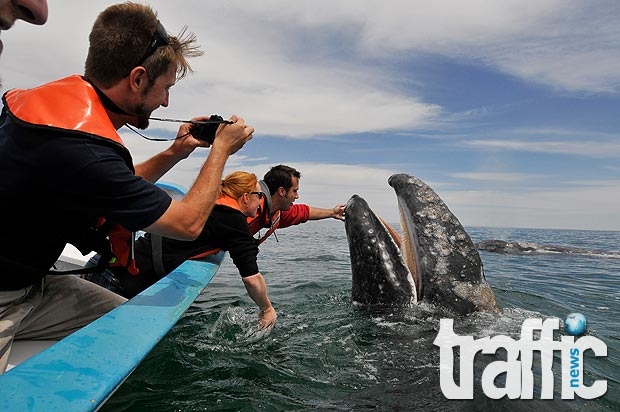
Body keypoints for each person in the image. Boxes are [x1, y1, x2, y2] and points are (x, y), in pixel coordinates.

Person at [0, 2, 253, 373]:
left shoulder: (59, 119)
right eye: (165, 87)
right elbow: (187, 224)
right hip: (3, 298)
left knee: (138, 328)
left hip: (35, 287)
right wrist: (221, 151)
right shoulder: (83, 151)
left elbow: (110, 183)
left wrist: (176, 151)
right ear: (137, 79)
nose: (166, 100)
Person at [85, 171, 278, 328]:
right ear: (245, 197)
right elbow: (251, 278)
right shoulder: (233, 220)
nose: (261, 201)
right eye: (259, 195)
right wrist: (267, 308)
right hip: (114, 277)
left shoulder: (207, 206)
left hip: (106, 265)